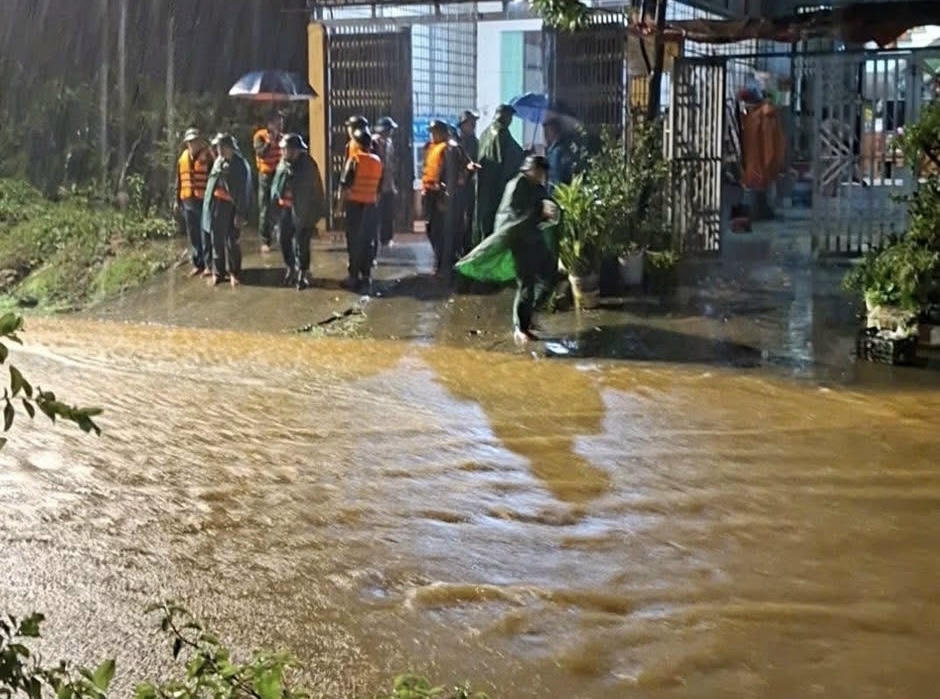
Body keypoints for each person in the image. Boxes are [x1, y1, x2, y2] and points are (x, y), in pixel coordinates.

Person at [270, 133, 327, 290]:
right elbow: (276, 185)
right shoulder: (282, 164)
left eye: (286, 149)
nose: (283, 152)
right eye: (283, 149)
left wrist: (317, 212)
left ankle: (303, 271)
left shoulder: (308, 166)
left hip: (304, 210)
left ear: (296, 151)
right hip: (285, 209)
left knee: (302, 243)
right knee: (283, 238)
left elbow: (316, 190)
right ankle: (290, 266)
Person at [202, 134, 252, 288]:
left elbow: (244, 191)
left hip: (233, 207)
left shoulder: (240, 165)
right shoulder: (218, 162)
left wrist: (241, 213)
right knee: (216, 240)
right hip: (217, 205)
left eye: (223, 147)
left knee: (232, 240)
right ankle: (218, 272)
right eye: (218, 147)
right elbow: (211, 185)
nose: (220, 150)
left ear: (230, 147)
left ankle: (234, 272)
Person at [338, 128, 383, 292]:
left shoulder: (354, 159)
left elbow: (345, 185)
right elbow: (379, 186)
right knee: (367, 241)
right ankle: (366, 275)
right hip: (370, 205)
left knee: (354, 241)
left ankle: (353, 276)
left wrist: (339, 207)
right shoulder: (377, 161)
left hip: (355, 205)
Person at [474, 104, 524, 245]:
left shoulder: (485, 134)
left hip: (484, 188)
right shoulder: (501, 134)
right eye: (510, 117)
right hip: (497, 189)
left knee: (483, 223)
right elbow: (511, 158)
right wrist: (524, 155)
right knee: (494, 227)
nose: (510, 120)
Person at [175, 127, 214, 278]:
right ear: (187, 144)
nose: (193, 144)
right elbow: (178, 180)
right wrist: (176, 199)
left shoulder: (208, 156)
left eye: (195, 141)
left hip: (203, 200)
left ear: (200, 141)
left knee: (206, 233)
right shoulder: (182, 158)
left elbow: (214, 178)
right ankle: (198, 264)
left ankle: (209, 265)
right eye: (190, 142)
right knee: (193, 234)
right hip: (187, 200)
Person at [421, 120, 452, 275]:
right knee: (430, 227)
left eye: (435, 132)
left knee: (438, 229)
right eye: (432, 132)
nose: (433, 135)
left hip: (438, 193)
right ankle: (439, 259)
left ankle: (442, 262)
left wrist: (443, 196)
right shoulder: (430, 148)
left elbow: (446, 173)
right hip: (428, 192)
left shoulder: (446, 149)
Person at [253, 111, 285, 253]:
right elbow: (261, 153)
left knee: (280, 205)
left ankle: (281, 237)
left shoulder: (283, 138)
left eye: (281, 122)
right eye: (277, 121)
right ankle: (266, 240)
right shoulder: (259, 136)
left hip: (279, 174)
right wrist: (269, 142)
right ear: (270, 123)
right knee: (265, 207)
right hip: (265, 175)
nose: (280, 124)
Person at [457, 110, 481, 254]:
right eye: (470, 122)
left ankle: (466, 247)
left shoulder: (475, 143)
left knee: (469, 217)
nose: (473, 125)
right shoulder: (456, 142)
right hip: (456, 187)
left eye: (474, 122)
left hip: (470, 185)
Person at [373, 116, 399, 249]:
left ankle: (386, 238)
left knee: (388, 213)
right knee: (377, 213)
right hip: (378, 185)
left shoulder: (389, 143)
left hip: (388, 184)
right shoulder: (374, 143)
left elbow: (391, 163)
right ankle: (376, 238)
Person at [543, 116, 579, 193]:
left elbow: (555, 178)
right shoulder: (562, 148)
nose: (545, 134)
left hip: (557, 195)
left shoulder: (556, 151)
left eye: (547, 130)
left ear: (554, 130)